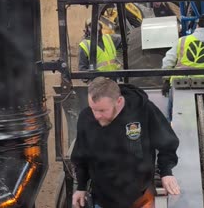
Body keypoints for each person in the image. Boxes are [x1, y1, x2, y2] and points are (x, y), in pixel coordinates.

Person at [71, 77, 180, 208]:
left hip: (141, 199)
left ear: (119, 101)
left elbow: (166, 142)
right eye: (93, 109)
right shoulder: (86, 118)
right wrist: (81, 187)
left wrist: (166, 172)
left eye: (102, 110)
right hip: (103, 200)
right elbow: (81, 156)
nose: (96, 116)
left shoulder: (143, 110)